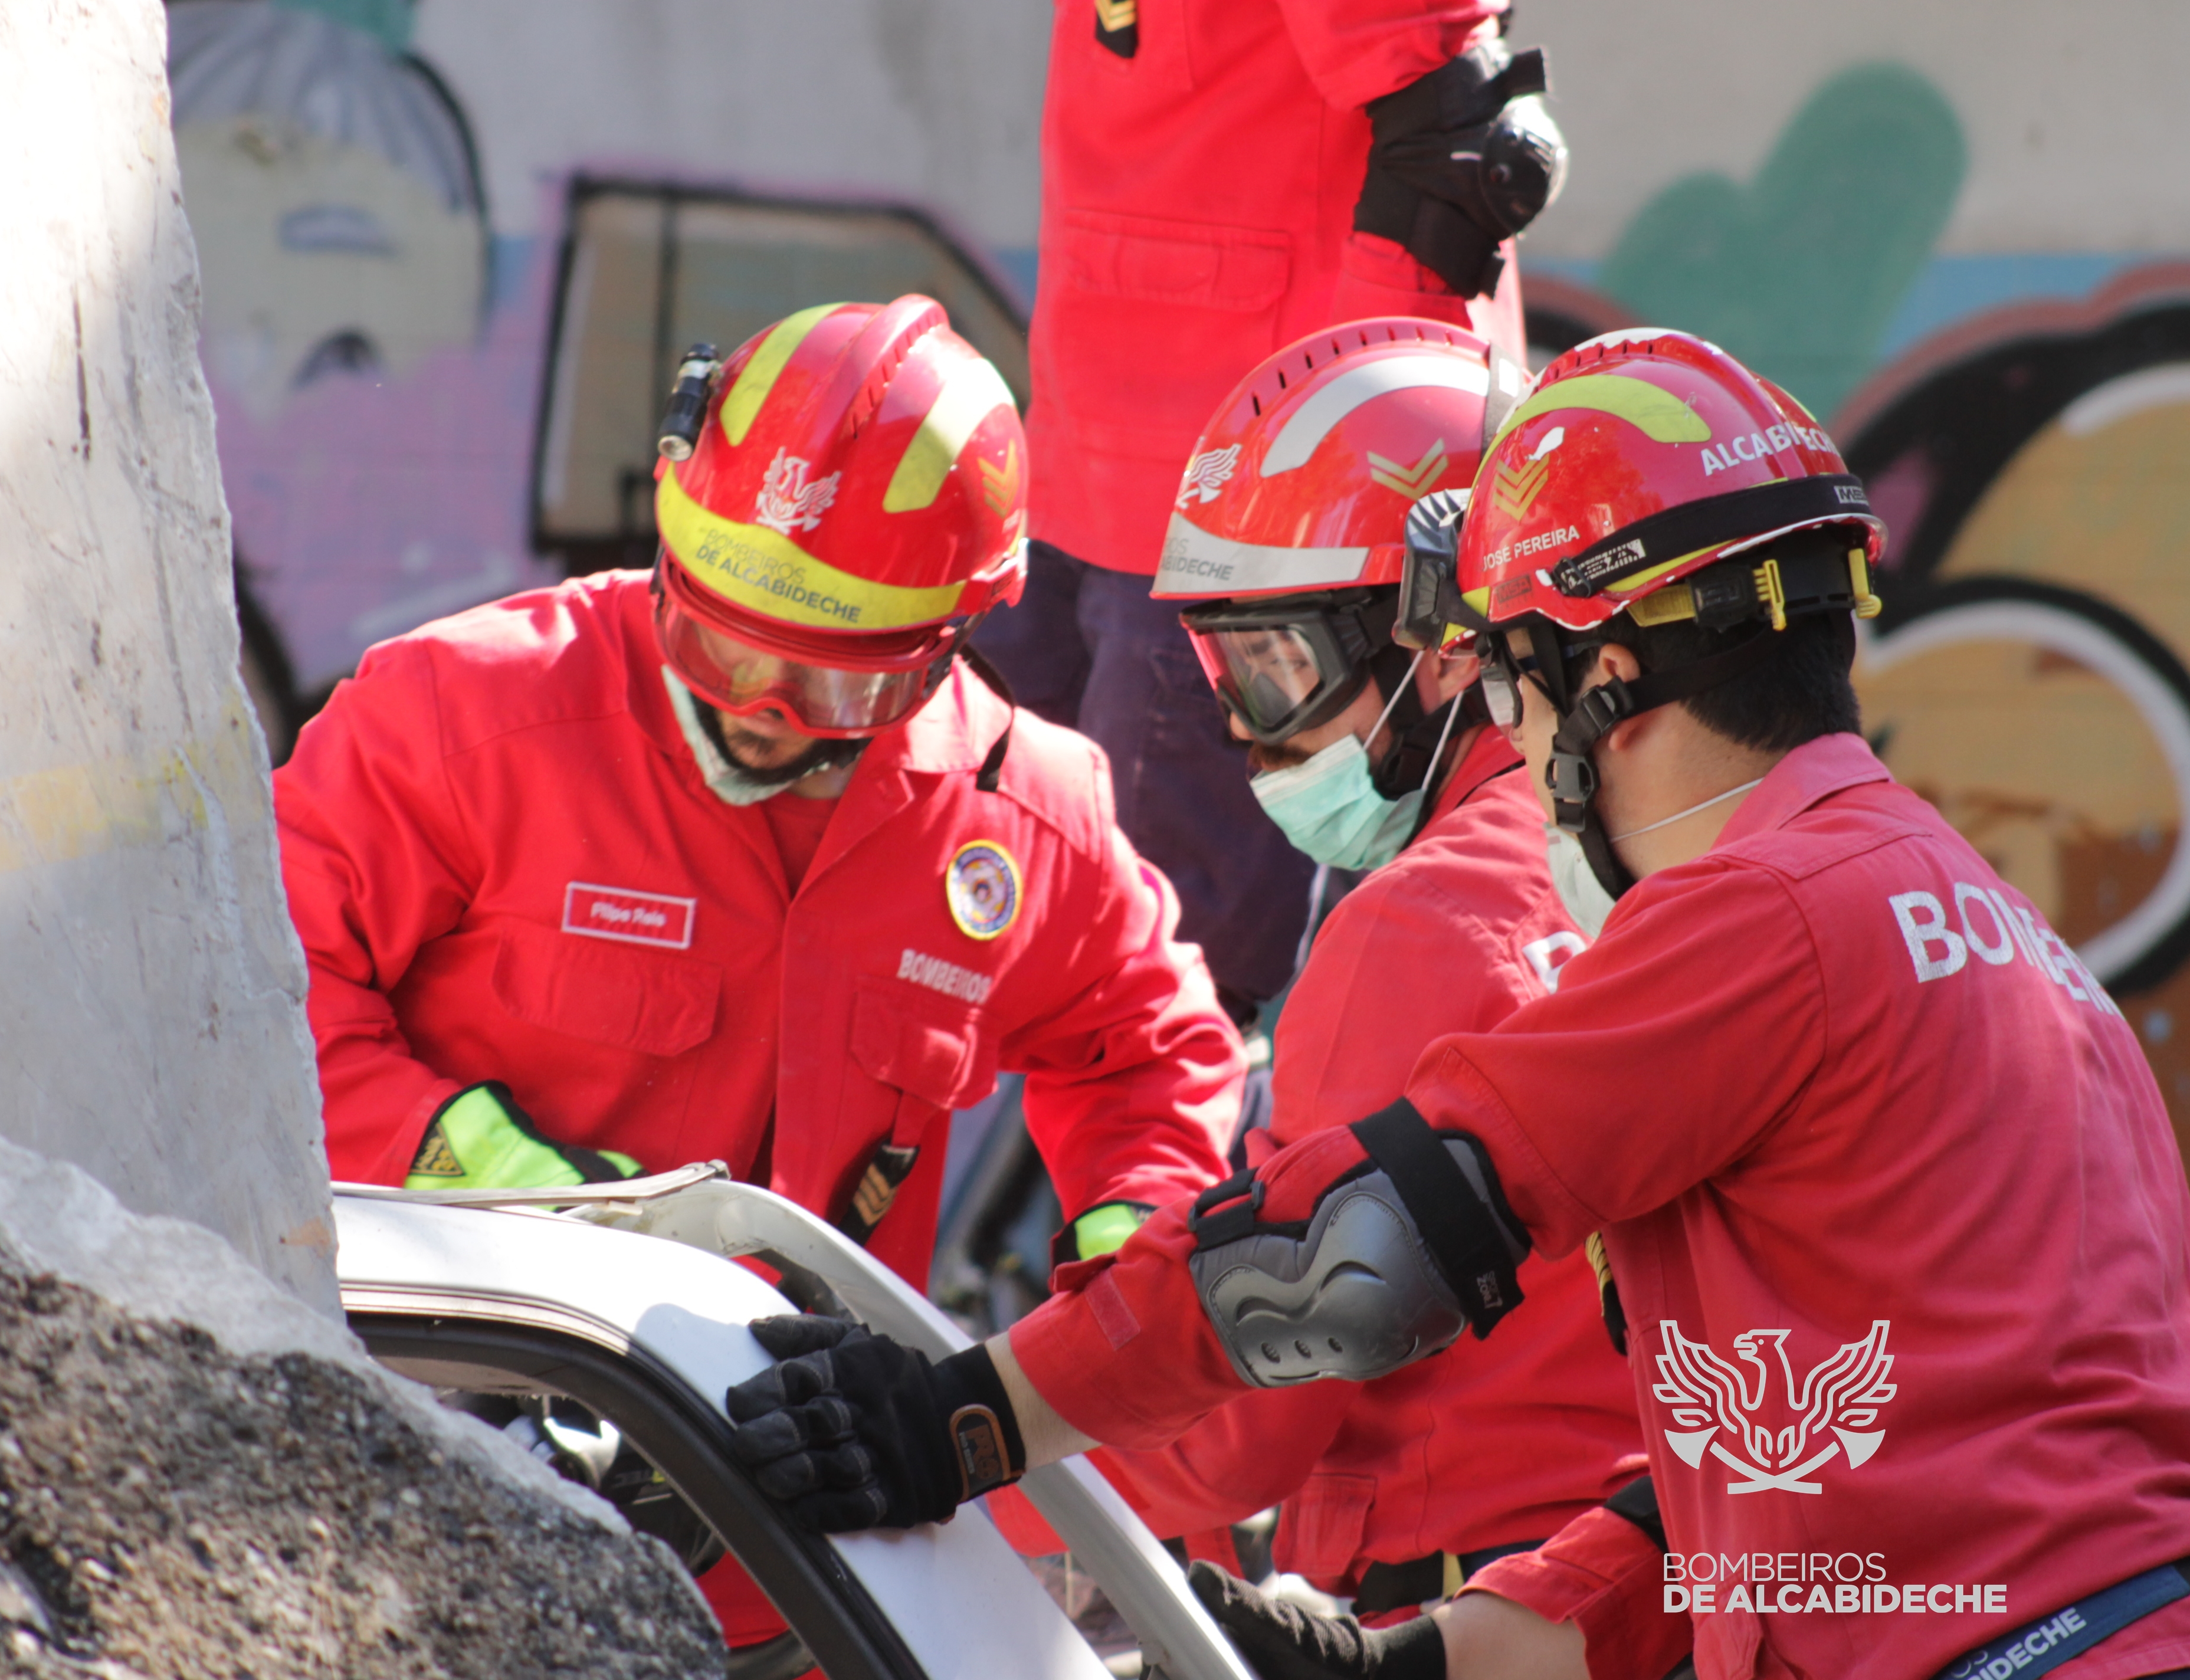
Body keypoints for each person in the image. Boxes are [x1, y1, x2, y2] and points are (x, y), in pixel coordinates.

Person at [723, 330, 2190, 1680]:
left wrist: (957, 1417)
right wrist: (1407, 1663)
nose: (1519, 750)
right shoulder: (2002, 935)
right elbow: (1765, 1496)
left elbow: (1354, 1250)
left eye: (1517, 695)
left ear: (1606, 677)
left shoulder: (1764, 913)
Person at [273, 295, 1245, 1651]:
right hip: (416, 1519)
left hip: (801, 1582)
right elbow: (254, 993)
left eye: (824, 685)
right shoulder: (460, 719)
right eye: (718, 641)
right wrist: (482, 1170)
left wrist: (1113, 1296)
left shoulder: (1023, 815)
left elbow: (1149, 1050)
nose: (754, 707)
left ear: (945, 644)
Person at [976, 316, 1665, 1671]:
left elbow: (1234, 1417)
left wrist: (956, 1447)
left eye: (1280, 667)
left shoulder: (1419, 925)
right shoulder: (1683, 859)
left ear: (1450, 644)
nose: (1244, 727)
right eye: (1222, 670)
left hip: (1464, 1603)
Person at [975, 0, 1566, 1023]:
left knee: (1167, 1001)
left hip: (1266, 517)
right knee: (1002, 962)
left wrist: (1362, 461)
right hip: (1082, 465)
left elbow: (1456, 140)